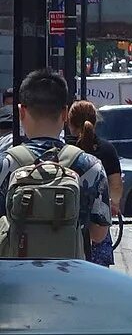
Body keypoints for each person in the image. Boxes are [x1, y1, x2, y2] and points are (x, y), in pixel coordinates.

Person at [0, 70, 110, 257]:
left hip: (16, 279)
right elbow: (99, 234)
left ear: (21, 112)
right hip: (70, 277)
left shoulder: (4, 164)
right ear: (65, 113)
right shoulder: (90, 166)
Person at [67, 100, 122, 267]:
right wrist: (114, 204)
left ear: (69, 122)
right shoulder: (106, 149)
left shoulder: (64, 149)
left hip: (66, 222)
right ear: (95, 121)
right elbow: (116, 185)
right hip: (97, 225)